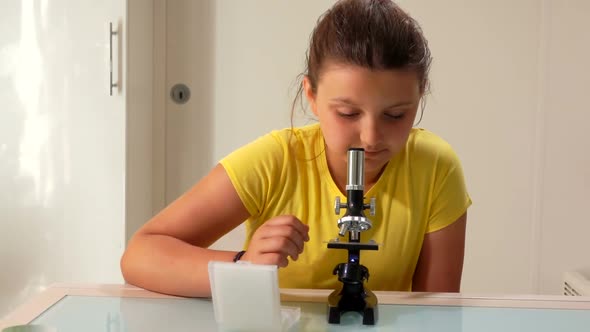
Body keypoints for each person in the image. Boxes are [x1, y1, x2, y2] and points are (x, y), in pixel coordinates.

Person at [120, 0, 471, 297]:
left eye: (395, 114)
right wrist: (243, 267)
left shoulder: (436, 168)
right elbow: (140, 254)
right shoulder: (275, 161)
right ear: (312, 96)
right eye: (348, 113)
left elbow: (435, 313)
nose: (371, 137)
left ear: (419, 95)